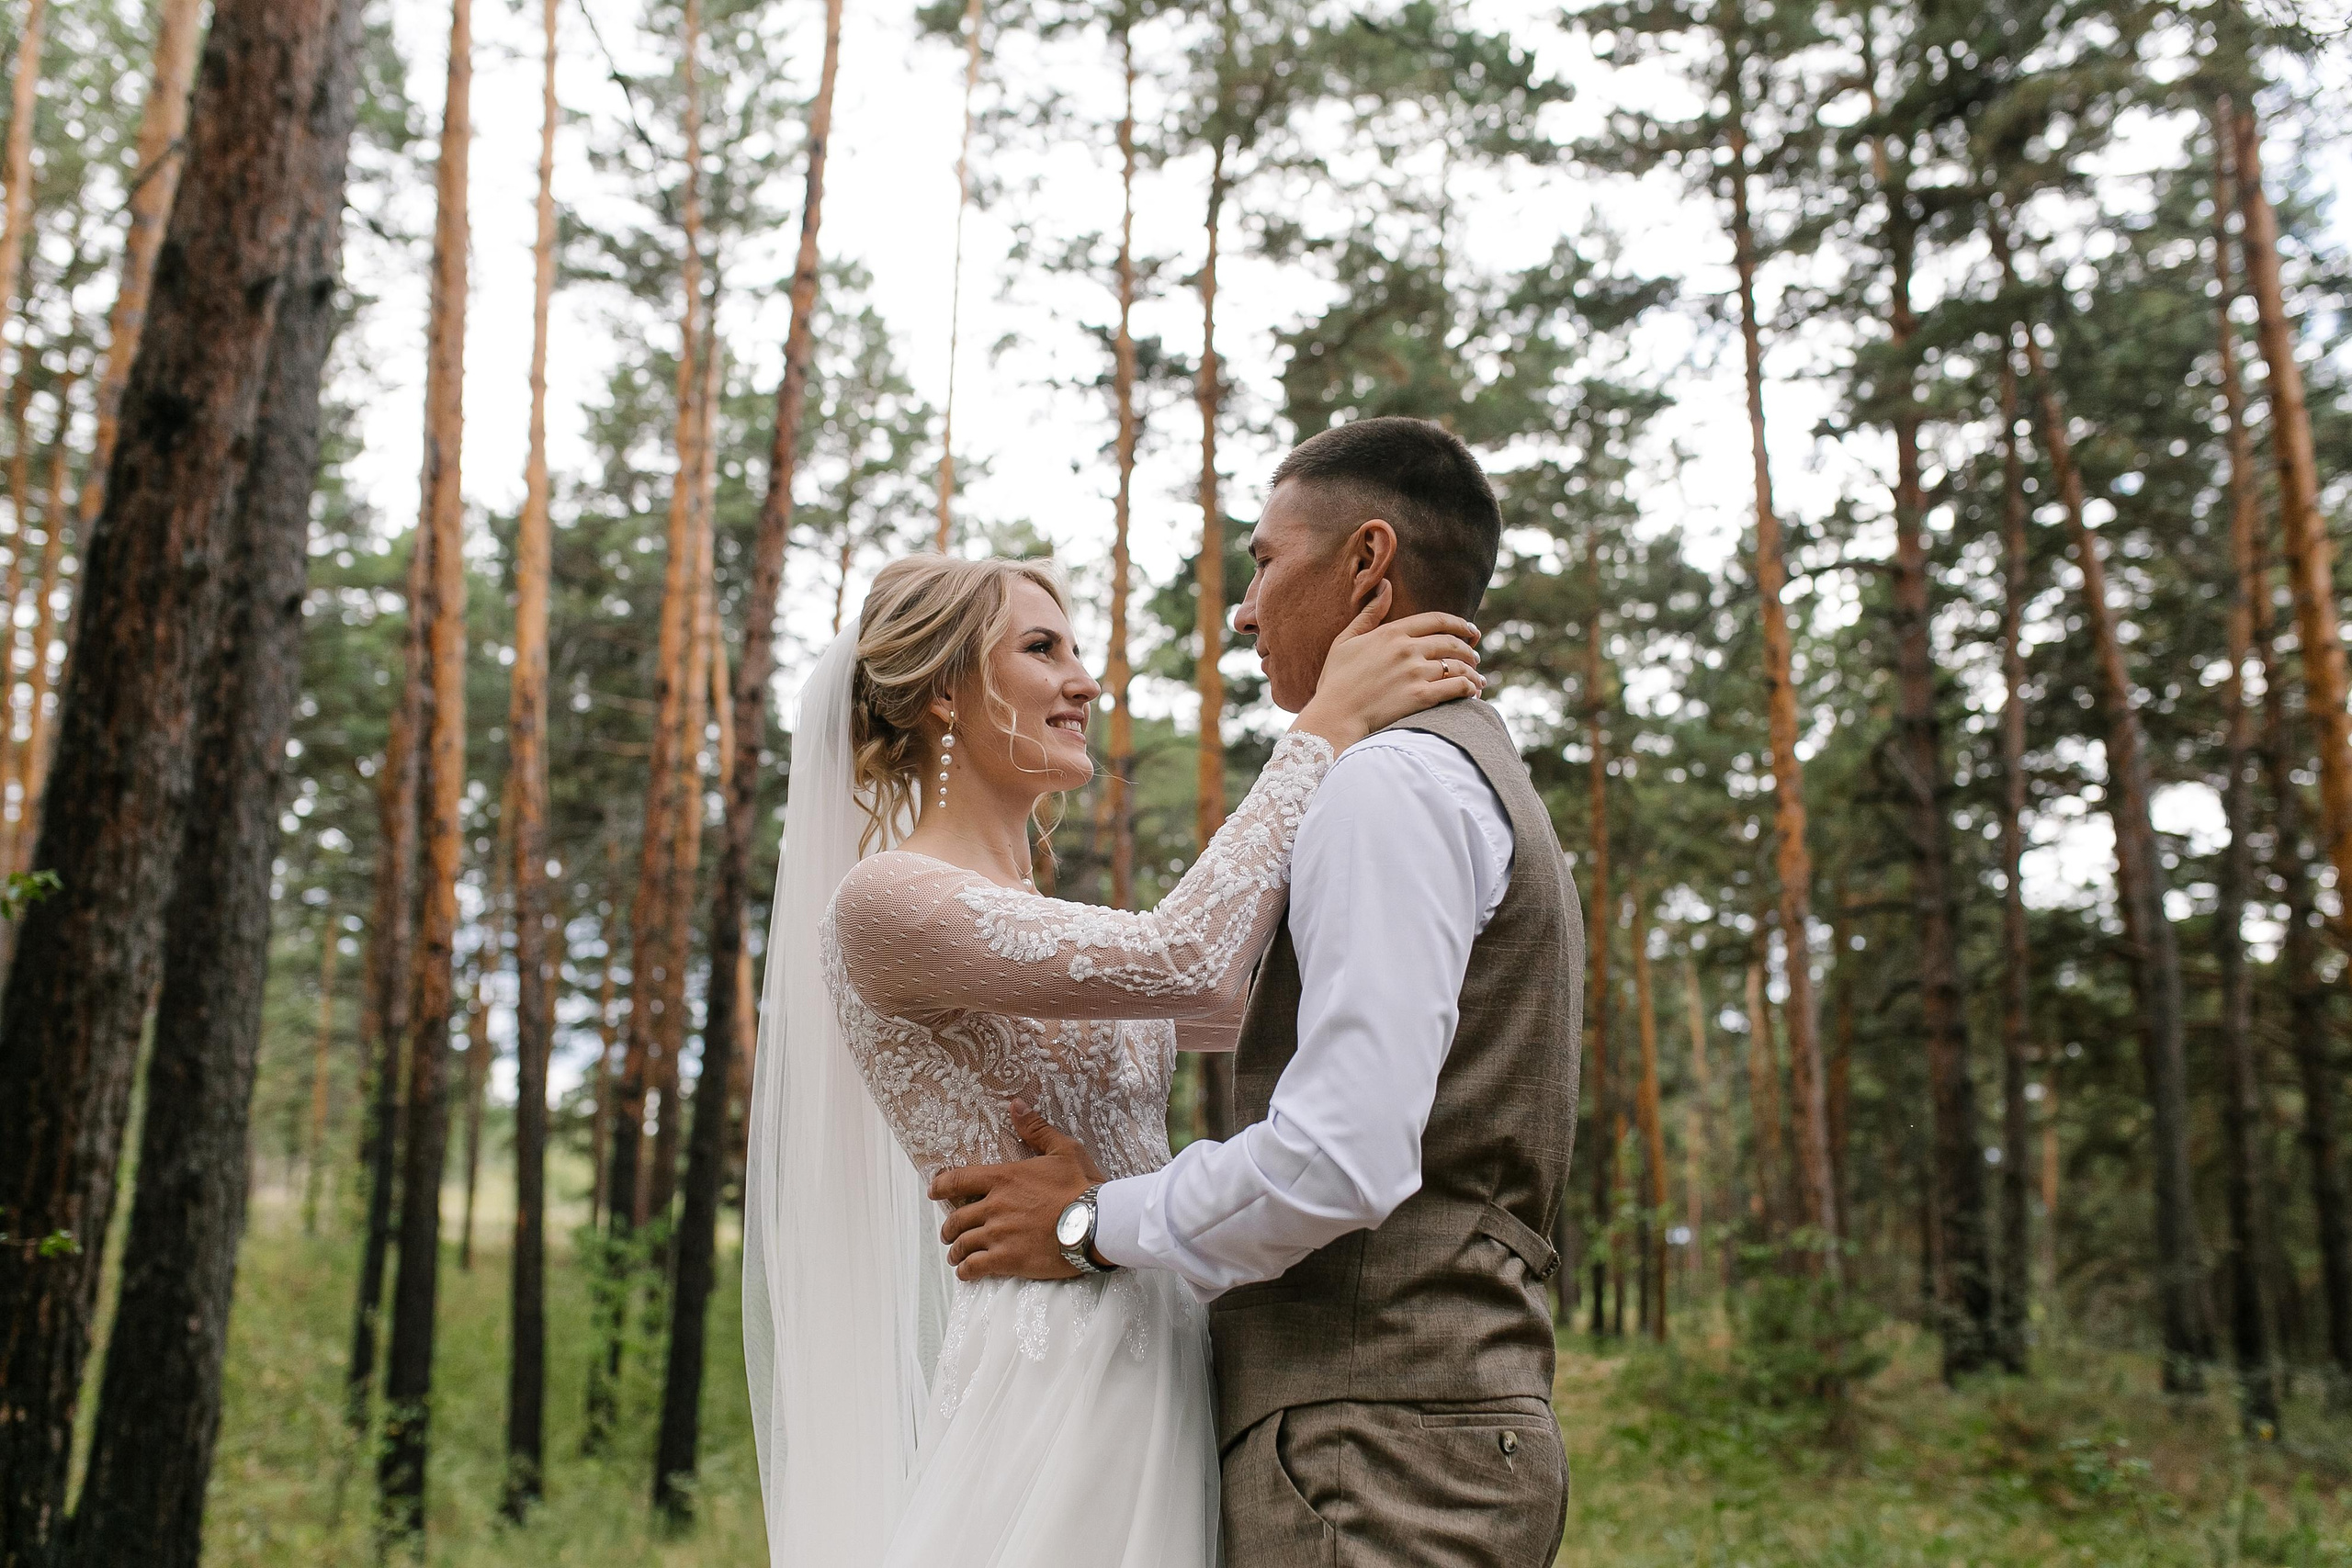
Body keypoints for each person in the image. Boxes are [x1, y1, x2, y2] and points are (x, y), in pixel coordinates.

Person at [741, 540, 1484, 1568]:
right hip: (1056, 1364)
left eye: (1077, 650)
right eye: (1042, 649)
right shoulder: (889, 902)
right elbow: (1189, 960)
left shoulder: (1031, 920)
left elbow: (1236, 998)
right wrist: (1321, 730)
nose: (1085, 680)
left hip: (1155, 1325)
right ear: (946, 694)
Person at [932, 415, 1585, 1568]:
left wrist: (1088, 1225)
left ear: (1366, 563)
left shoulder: (1388, 785)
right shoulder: (1467, 770)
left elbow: (1340, 1158)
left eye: (1265, 559)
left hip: (1371, 1454)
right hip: (1409, 1430)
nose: (1239, 609)